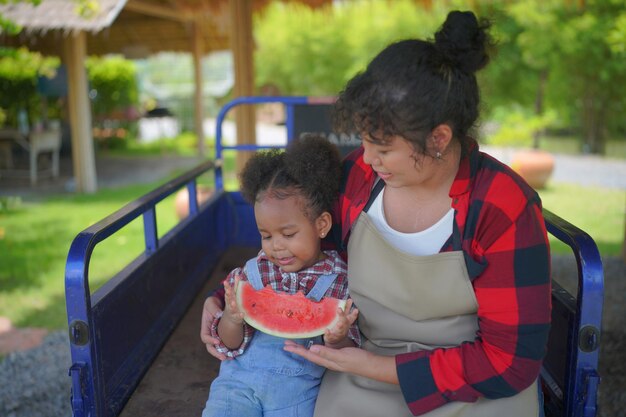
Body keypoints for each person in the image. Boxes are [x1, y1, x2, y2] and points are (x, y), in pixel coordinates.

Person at [203, 10, 551, 417]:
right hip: (361, 370)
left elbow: (508, 363)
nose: (367, 157)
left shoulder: (502, 206)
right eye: (365, 142)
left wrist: (383, 368)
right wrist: (224, 301)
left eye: (383, 148)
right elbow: (299, 254)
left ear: (437, 138)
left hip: (472, 387)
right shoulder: (358, 179)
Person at [200, 134, 360, 417]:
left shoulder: (339, 282)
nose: (276, 245)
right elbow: (229, 343)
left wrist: (337, 338)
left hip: (297, 395)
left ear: (321, 225)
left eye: (288, 234)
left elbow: (346, 351)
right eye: (265, 235)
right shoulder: (252, 274)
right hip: (236, 388)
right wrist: (231, 318)